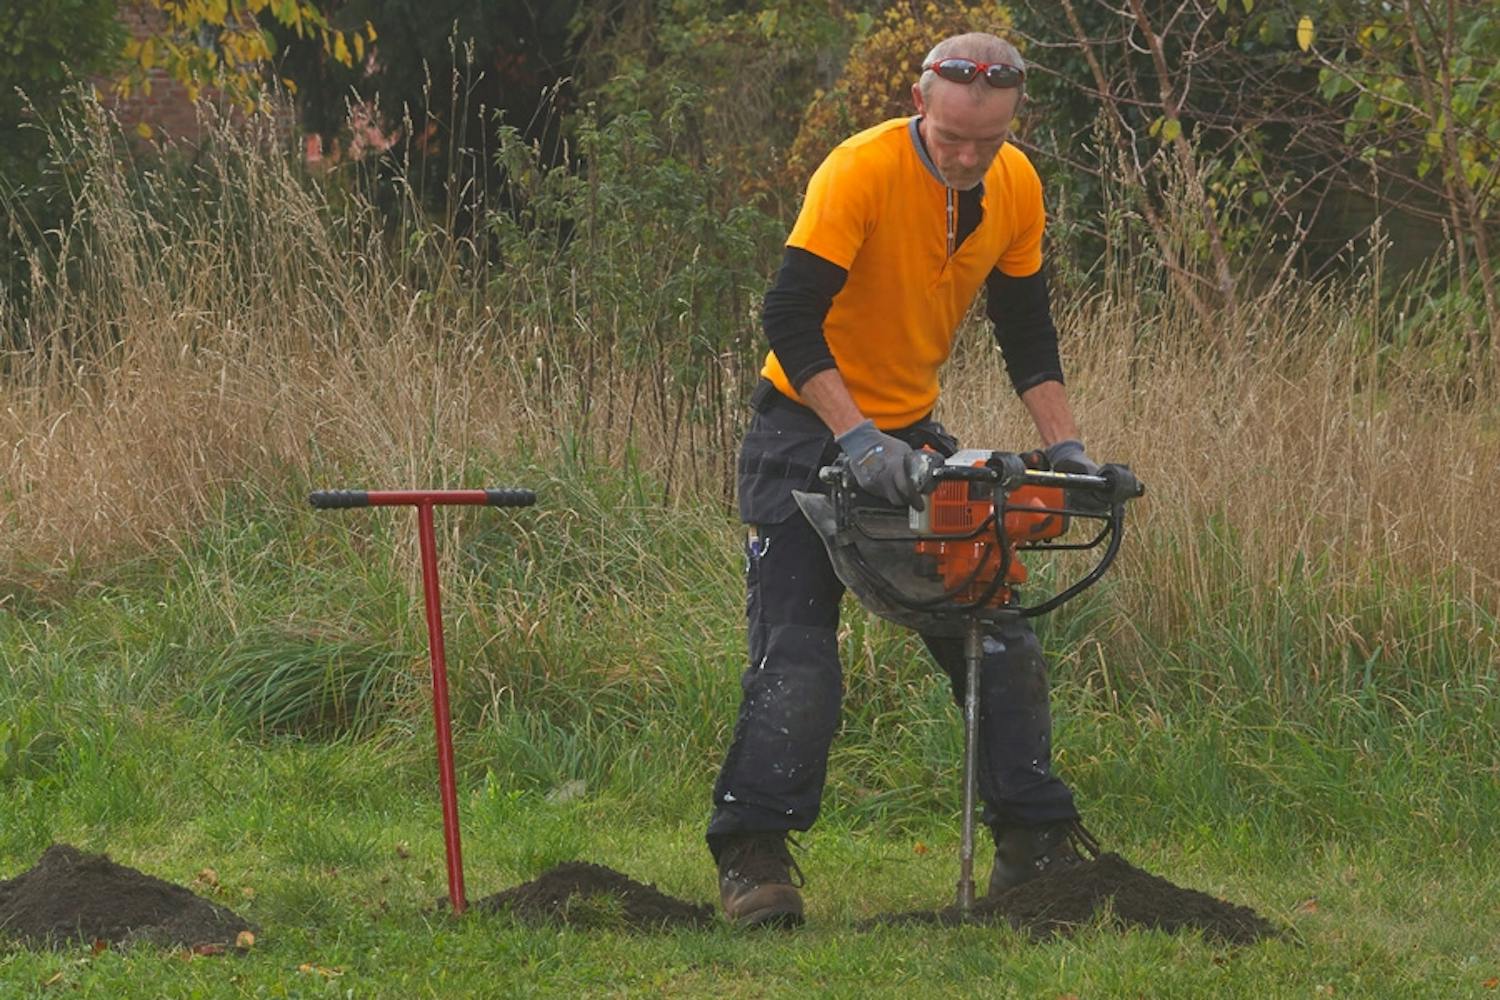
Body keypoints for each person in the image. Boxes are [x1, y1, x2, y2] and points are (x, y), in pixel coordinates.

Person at [705, 31, 1105, 929]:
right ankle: (752, 856)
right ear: (921, 103)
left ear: (1014, 122)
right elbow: (789, 318)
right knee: (799, 656)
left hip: (912, 438)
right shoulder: (860, 171)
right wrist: (854, 438)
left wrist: (1069, 450)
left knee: (995, 635)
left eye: (988, 140)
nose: (968, 157)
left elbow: (1027, 331)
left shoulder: (1017, 186)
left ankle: (1035, 847)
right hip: (802, 429)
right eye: (953, 137)